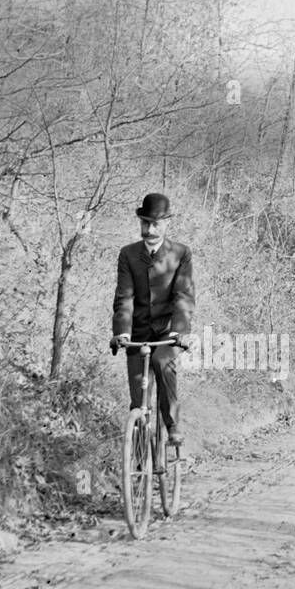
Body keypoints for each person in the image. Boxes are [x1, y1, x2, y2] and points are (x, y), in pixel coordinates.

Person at [110, 192, 197, 448]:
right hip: (137, 333)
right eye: (145, 223)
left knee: (162, 362)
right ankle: (138, 467)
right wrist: (122, 332)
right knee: (138, 400)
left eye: (155, 224)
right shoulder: (128, 254)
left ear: (167, 222)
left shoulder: (180, 254)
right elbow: (124, 296)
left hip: (165, 333)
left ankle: (172, 426)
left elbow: (183, 295)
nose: (149, 229)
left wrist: (179, 331)